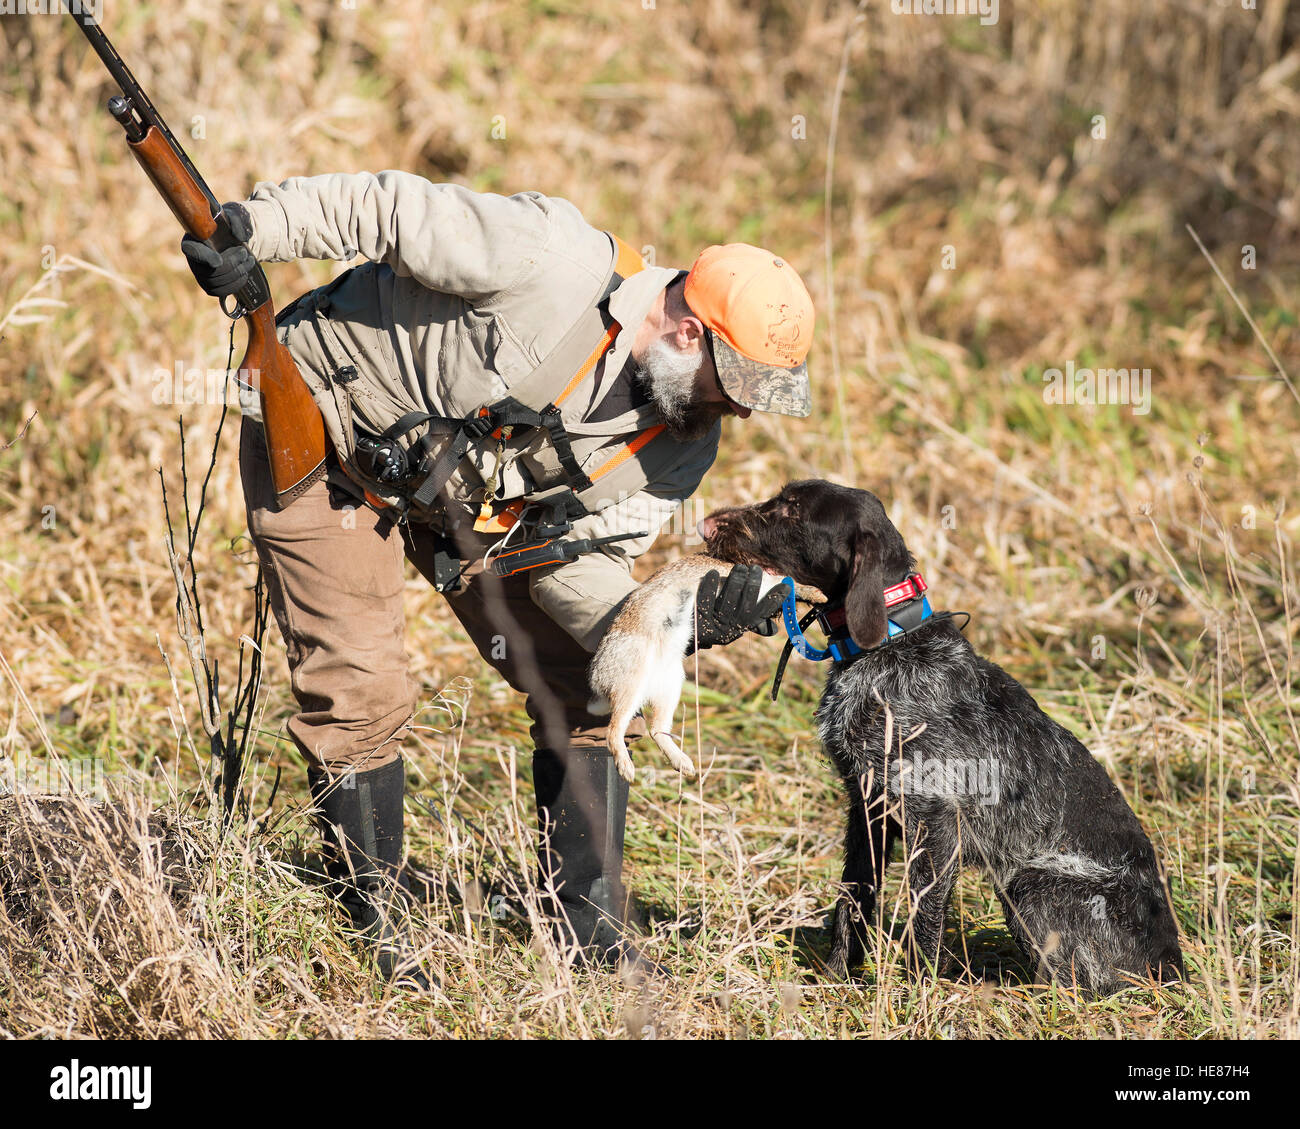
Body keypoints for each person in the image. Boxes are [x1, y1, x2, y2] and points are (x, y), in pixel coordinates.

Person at [182, 172, 816, 984]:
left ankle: (587, 928)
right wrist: (250, 230)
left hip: (469, 509)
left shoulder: (682, 447)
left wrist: (662, 619)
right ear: (689, 333)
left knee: (596, 676)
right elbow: (385, 211)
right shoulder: (547, 258)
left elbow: (580, 563)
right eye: (738, 387)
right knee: (361, 685)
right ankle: (377, 924)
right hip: (326, 428)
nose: (745, 412)